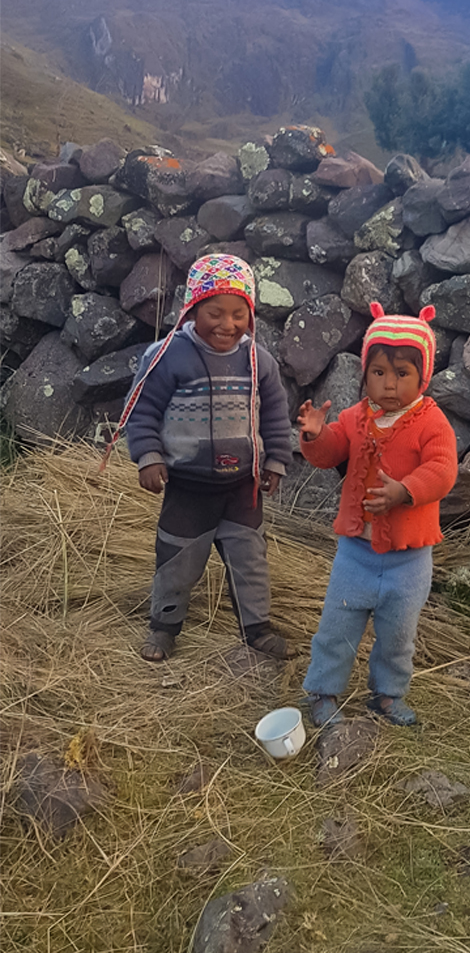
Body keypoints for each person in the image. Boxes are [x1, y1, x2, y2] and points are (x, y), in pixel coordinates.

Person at [116, 253, 294, 662]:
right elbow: (141, 411)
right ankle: (163, 628)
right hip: (188, 490)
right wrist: (147, 455)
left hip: (242, 490)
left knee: (250, 562)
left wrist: (275, 461)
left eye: (238, 314)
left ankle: (256, 629)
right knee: (177, 564)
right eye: (215, 312)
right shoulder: (167, 358)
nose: (227, 325)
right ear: (193, 308)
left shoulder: (258, 361)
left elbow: (274, 414)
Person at [297, 302, 458, 726]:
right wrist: (315, 436)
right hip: (356, 554)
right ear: (364, 374)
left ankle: (387, 695)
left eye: (402, 374)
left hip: (409, 558)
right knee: (338, 625)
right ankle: (322, 691)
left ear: (422, 376)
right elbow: (333, 450)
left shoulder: (431, 422)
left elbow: (442, 470)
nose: (389, 385)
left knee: (397, 635)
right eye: (379, 373)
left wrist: (405, 491)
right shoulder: (356, 417)